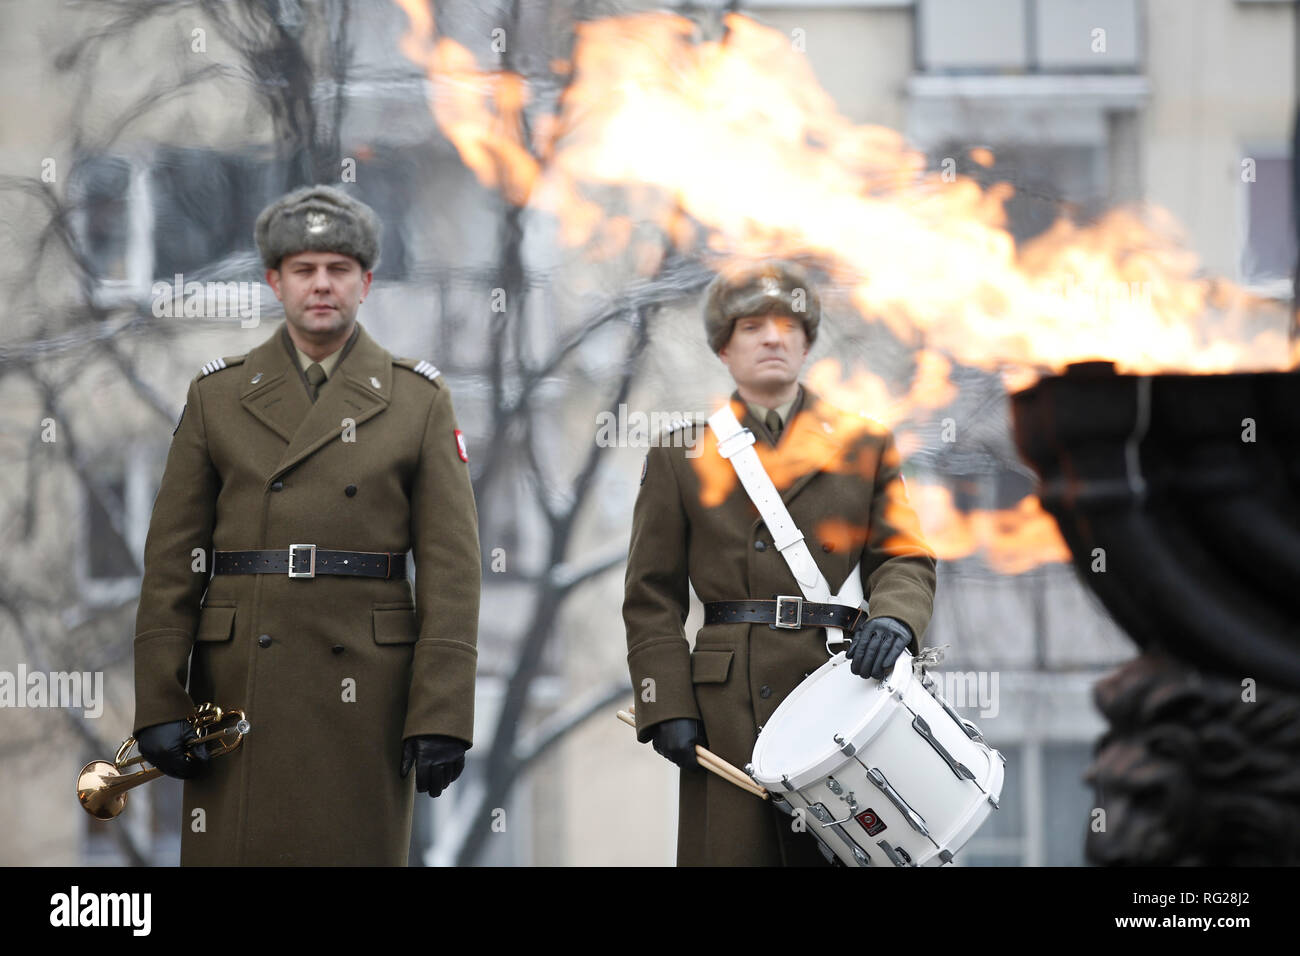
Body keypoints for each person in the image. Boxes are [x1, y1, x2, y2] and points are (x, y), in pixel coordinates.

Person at [131, 185, 481, 865]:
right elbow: (172, 561)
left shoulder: (419, 401)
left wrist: (442, 712)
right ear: (274, 281)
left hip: (367, 695)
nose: (322, 284)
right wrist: (158, 700)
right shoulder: (218, 398)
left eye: (339, 269)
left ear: (366, 283)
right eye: (304, 269)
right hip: (237, 692)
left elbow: (453, 572)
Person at [622, 259, 937, 866]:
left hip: (839, 689)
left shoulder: (865, 445)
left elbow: (903, 556)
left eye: (788, 325)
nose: (772, 337)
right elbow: (651, 596)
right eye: (750, 327)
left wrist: (896, 621)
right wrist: (666, 706)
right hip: (725, 710)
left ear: (806, 342)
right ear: (724, 348)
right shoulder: (680, 454)